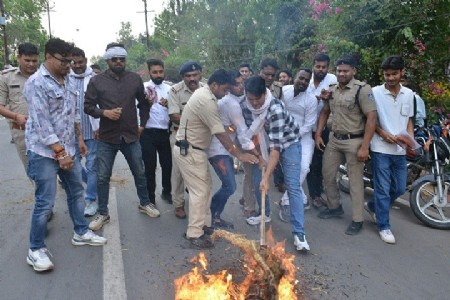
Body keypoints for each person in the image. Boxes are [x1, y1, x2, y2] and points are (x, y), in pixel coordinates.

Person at [24, 38, 106, 272]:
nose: (69, 65)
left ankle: (80, 231)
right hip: (44, 153)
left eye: (71, 61)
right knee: (45, 201)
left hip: (69, 147)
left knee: (76, 191)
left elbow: (73, 112)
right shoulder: (36, 83)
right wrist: (60, 153)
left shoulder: (68, 78)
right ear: (48, 57)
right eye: (64, 61)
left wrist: (79, 140)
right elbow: (42, 124)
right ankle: (35, 249)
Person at [174, 69, 258, 249]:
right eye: (225, 89)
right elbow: (220, 133)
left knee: (205, 189)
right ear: (214, 85)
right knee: (200, 192)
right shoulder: (206, 101)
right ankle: (194, 234)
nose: (226, 93)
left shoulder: (207, 93)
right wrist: (240, 154)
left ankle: (204, 226)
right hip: (189, 151)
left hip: (195, 150)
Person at [84, 43, 160, 231]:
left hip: (130, 136)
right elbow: (88, 107)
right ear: (107, 60)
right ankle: (103, 213)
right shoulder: (96, 81)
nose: (119, 62)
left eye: (122, 59)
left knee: (139, 172)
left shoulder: (134, 79)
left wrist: (142, 124)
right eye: (115, 59)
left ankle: (145, 203)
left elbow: (144, 104)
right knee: (103, 177)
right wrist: (104, 113)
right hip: (107, 137)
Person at [243, 76, 310, 251]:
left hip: (288, 144)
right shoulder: (246, 104)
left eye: (259, 99)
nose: (255, 103)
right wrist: (258, 155)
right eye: (251, 99)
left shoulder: (276, 109)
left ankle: (299, 233)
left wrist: (268, 176)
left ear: (265, 93)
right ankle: (264, 214)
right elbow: (252, 132)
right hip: (263, 143)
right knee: (259, 179)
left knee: (293, 185)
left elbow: (276, 149)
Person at [316, 56, 377, 235]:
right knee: (327, 174)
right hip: (334, 140)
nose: (341, 74)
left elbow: (372, 118)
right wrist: (319, 133)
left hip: (354, 141)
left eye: (345, 71)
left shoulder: (363, 90)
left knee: (355, 182)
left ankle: (357, 220)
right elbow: (325, 112)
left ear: (353, 71)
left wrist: (365, 146)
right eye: (339, 71)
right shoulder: (332, 90)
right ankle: (334, 207)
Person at [365, 56, 415, 244]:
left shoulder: (409, 94)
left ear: (402, 72)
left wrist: (409, 140)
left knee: (400, 188)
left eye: (394, 74)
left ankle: (372, 206)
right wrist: (383, 134)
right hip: (380, 148)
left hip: (400, 150)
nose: (390, 78)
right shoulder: (374, 92)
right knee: (383, 189)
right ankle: (384, 226)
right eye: (387, 74)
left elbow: (409, 120)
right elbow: (370, 120)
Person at [206, 71, 257, 229]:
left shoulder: (234, 100)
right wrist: (255, 153)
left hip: (223, 148)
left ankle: (212, 215)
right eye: (236, 84)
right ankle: (210, 214)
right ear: (228, 86)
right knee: (230, 186)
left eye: (242, 83)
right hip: (218, 150)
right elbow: (242, 133)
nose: (240, 86)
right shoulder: (231, 104)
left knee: (229, 185)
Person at [278, 69, 317, 221]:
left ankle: (286, 200)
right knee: (290, 169)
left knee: (303, 168)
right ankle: (302, 199)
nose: (303, 82)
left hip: (303, 137)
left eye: (307, 80)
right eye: (301, 78)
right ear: (294, 77)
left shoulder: (311, 99)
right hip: (283, 135)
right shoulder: (284, 91)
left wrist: (293, 135)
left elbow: (309, 124)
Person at [168, 61, 205, 219]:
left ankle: (198, 204)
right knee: (178, 172)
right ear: (183, 77)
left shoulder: (206, 89)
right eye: (188, 76)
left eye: (195, 75)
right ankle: (178, 204)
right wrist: (197, 121)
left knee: (200, 171)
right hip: (180, 137)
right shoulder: (175, 91)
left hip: (201, 138)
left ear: (200, 74)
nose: (192, 78)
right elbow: (174, 115)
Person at [70, 47, 99, 217]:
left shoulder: (96, 79)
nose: (77, 66)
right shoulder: (66, 79)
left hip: (93, 131)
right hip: (72, 132)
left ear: (86, 61)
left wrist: (100, 126)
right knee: (74, 166)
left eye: (80, 62)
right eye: (74, 62)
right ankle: (86, 186)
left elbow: (102, 104)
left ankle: (90, 199)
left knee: (92, 166)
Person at [0, 43, 39, 170]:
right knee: (33, 171)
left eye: (34, 60)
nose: (31, 64)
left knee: (51, 171)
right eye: (27, 60)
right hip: (22, 132)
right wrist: (16, 116)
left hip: (47, 131)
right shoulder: (7, 78)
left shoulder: (44, 77)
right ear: (18, 58)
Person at [306, 54, 337, 209]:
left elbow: (336, 99)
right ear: (313, 66)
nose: (321, 69)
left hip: (324, 127)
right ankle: (312, 193)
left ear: (328, 67)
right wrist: (318, 98)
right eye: (318, 66)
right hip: (306, 126)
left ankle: (316, 193)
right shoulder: (306, 79)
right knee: (309, 162)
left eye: (324, 67)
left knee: (319, 162)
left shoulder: (332, 80)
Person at [140, 59, 172, 205]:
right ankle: (150, 198)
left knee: (167, 165)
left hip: (165, 133)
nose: (158, 75)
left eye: (160, 71)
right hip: (147, 133)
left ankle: (167, 191)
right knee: (150, 167)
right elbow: (136, 109)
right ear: (149, 73)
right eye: (155, 72)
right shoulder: (143, 88)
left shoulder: (171, 89)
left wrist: (169, 104)